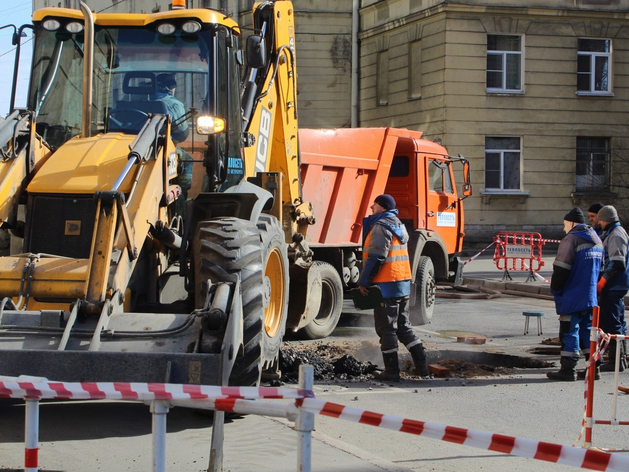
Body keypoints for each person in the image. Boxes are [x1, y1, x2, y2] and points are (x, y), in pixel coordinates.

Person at [358, 194, 430, 381]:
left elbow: (377, 256)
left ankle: (392, 372)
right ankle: (422, 368)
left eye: (374, 205)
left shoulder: (381, 227)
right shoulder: (399, 225)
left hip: (385, 285)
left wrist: (364, 281)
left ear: (382, 207)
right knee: (403, 327)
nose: (372, 208)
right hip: (402, 283)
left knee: (387, 329)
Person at [547, 207, 603, 381]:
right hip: (590, 295)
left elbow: (561, 269)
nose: (564, 228)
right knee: (588, 330)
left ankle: (568, 370)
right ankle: (593, 369)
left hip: (572, 294)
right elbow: (600, 270)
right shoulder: (597, 240)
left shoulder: (571, 239)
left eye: (565, 224)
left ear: (571, 223)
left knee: (569, 330)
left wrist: (556, 289)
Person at [596, 205, 629, 372]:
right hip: (615, 285)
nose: (599, 223)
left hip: (614, 285)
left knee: (612, 322)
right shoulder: (612, 233)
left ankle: (616, 361)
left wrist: (603, 281)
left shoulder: (616, 234)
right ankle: (620, 359)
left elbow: (617, 262)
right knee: (617, 321)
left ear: (606, 219)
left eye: (600, 219)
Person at [154, 73, 189, 144]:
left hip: (130, 142)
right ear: (172, 88)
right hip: (161, 145)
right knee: (184, 155)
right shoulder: (174, 104)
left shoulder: (129, 99)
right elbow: (182, 134)